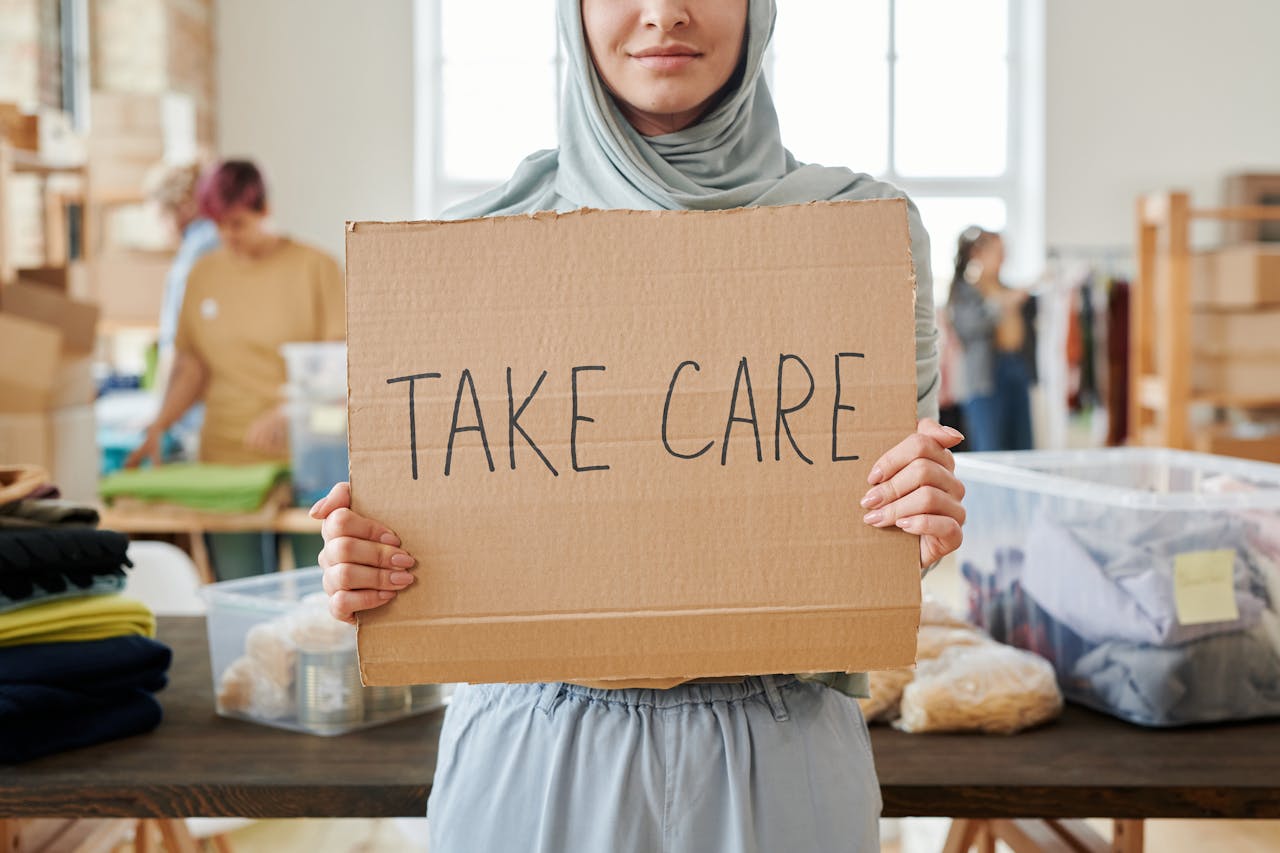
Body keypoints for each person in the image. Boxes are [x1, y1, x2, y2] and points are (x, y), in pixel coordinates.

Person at [312, 2, 967, 850]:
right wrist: (363, 563)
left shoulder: (867, 236)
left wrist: (918, 510)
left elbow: (878, 515)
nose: (665, 13)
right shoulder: (468, 250)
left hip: (781, 744)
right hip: (531, 744)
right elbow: (416, 542)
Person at [126, 159, 343, 580]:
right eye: (219, 224)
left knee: (316, 596)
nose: (228, 235)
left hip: (308, 460)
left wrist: (288, 411)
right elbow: (192, 365)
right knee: (240, 591)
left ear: (265, 210)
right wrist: (159, 425)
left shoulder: (317, 268)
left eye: (238, 223)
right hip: (227, 458)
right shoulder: (204, 273)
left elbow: (340, 359)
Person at [145, 160, 221, 456]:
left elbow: (178, 347)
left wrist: (159, 417)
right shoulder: (226, 241)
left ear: (183, 207)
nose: (164, 231)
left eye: (161, 218)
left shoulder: (194, 256)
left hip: (201, 416)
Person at [947, 226, 1035, 452]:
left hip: (1016, 367)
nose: (1002, 257)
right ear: (978, 254)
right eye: (997, 251)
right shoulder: (965, 292)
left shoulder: (1007, 288)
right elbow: (968, 327)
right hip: (986, 376)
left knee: (1022, 446)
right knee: (990, 447)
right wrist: (1002, 304)